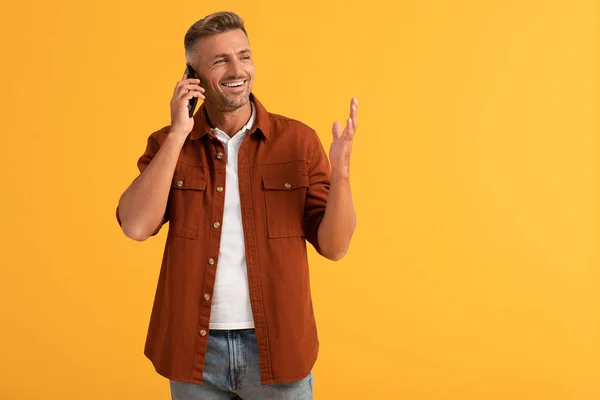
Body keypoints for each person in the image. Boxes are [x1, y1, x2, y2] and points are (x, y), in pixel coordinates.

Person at [116, 11, 357, 400]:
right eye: (220, 60)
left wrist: (342, 173)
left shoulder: (298, 142)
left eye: (244, 56)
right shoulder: (168, 144)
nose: (237, 69)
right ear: (190, 76)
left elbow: (335, 246)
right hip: (195, 352)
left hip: (278, 348)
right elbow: (135, 226)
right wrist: (180, 131)